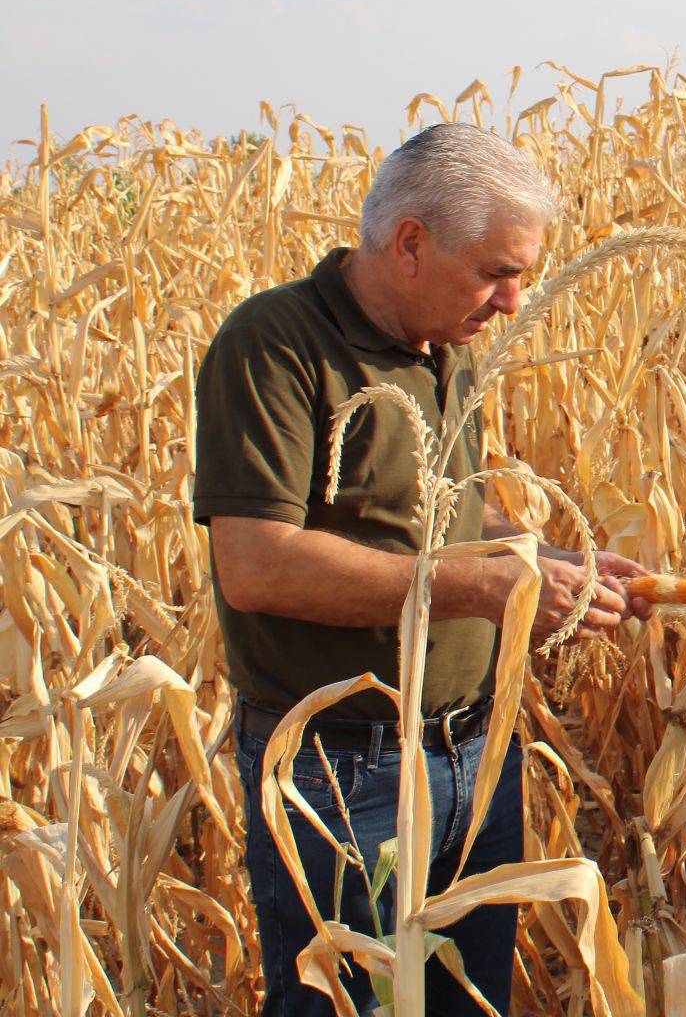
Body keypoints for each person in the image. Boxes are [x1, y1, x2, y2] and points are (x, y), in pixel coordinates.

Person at [194, 122, 645, 1016]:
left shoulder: (445, 345)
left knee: (467, 1001)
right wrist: (484, 587)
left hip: (474, 755)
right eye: (496, 271)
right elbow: (256, 564)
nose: (513, 301)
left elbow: (442, 510)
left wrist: (538, 556)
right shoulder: (276, 345)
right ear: (410, 243)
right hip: (340, 772)